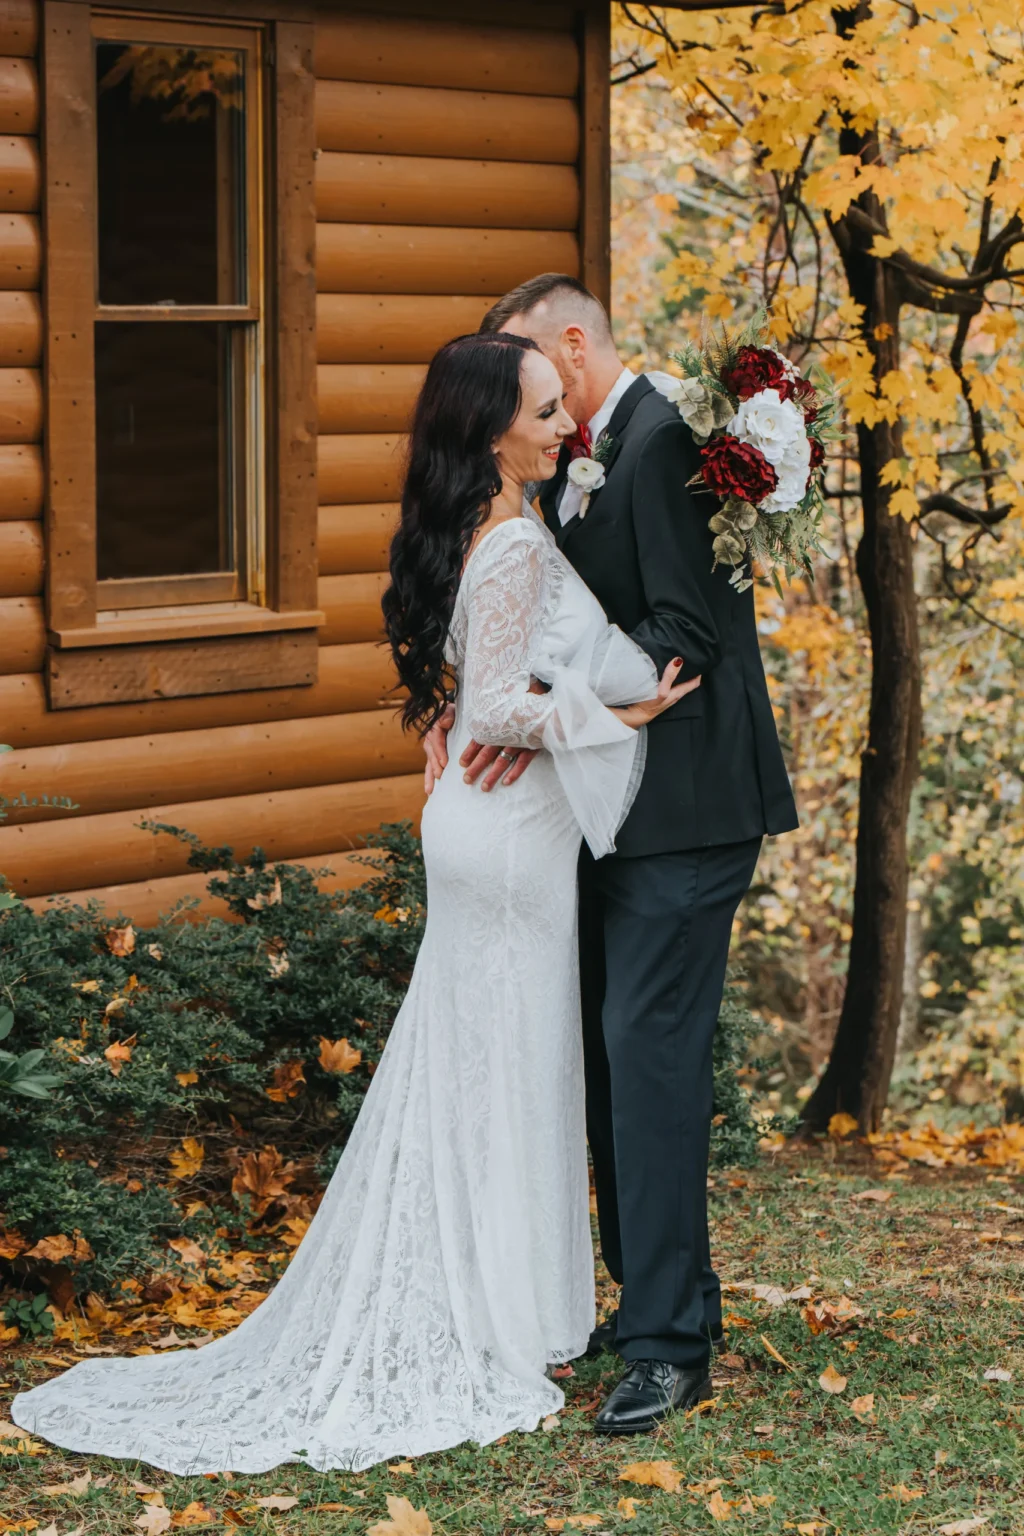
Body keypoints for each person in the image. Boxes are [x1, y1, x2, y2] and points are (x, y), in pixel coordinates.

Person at [13, 332, 696, 1474]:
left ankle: (501, 1306)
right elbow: (492, 707)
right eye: (538, 412)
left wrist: (541, 701)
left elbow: (468, 682)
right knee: (506, 1065)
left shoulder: (472, 528)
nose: (559, 425)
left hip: (485, 837)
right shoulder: (515, 541)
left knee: (480, 1061)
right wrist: (616, 718)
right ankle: (490, 1315)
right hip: (507, 847)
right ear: (488, 431)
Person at [425, 275, 798, 1434]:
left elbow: (684, 635)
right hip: (608, 814)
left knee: (646, 1062)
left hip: (688, 812)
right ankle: (659, 1299)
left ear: (571, 345)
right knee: (610, 1058)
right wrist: (497, 706)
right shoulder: (591, 458)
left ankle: (667, 1344)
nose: (525, 397)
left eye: (531, 370)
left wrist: (543, 703)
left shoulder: (667, 445)